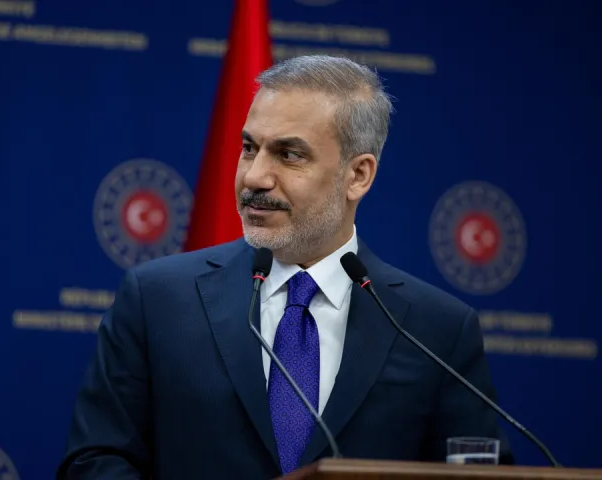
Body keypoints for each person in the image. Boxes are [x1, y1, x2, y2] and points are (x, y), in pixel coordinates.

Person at [56, 55, 512, 479]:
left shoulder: (436, 330)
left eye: (289, 154)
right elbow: (95, 461)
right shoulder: (157, 299)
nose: (254, 176)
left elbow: (477, 473)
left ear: (358, 175)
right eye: (249, 147)